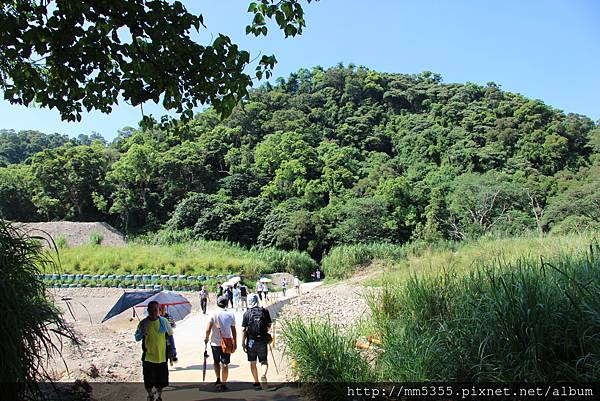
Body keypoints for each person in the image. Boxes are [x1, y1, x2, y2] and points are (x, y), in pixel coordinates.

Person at [135, 301, 173, 401]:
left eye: (155, 310)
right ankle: (150, 394)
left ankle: (159, 396)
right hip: (148, 357)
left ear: (159, 311)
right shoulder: (143, 323)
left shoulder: (164, 321)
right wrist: (141, 333)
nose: (153, 312)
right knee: (148, 380)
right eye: (151, 310)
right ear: (147, 311)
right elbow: (137, 338)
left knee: (161, 381)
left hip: (161, 357)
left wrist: (173, 350)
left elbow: (170, 336)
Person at [204, 295, 237, 390]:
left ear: (217, 303)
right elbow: (233, 330)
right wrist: (234, 342)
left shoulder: (213, 313)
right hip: (227, 342)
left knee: (216, 362)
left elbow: (208, 328)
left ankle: (218, 379)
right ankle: (224, 384)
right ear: (227, 303)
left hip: (215, 343)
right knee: (225, 364)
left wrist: (206, 337)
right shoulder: (231, 314)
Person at [242, 294, 272, 390]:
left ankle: (256, 381)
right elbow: (269, 325)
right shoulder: (264, 311)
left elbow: (243, 330)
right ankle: (263, 374)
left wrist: (243, 342)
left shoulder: (246, 313)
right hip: (262, 340)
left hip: (251, 341)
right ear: (257, 301)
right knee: (264, 361)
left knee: (252, 362)